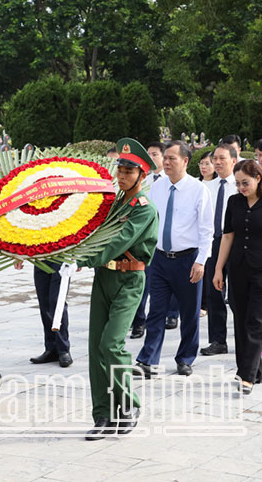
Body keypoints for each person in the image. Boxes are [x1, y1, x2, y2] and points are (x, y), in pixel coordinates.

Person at [77, 138, 159, 441]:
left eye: (129, 170)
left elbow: (116, 242)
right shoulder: (112, 203)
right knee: (95, 346)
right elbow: (90, 229)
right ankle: (103, 414)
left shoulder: (143, 210)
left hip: (129, 280)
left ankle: (129, 405)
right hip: (103, 279)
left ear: (142, 174)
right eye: (120, 169)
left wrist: (82, 258)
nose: (122, 175)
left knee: (111, 344)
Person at [213, 160, 262, 394]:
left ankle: (245, 375)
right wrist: (219, 269)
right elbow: (227, 237)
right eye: (237, 183)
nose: (241, 188)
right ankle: (254, 370)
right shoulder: (234, 202)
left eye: (245, 183)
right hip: (237, 269)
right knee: (240, 318)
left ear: (259, 178)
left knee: (256, 320)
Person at [135, 141, 213, 378]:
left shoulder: (199, 190)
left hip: (187, 260)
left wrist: (201, 261)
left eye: (172, 159)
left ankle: (185, 358)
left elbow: (206, 230)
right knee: (156, 311)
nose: (166, 163)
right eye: (165, 158)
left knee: (189, 313)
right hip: (159, 259)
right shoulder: (156, 187)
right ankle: (147, 359)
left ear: (186, 161)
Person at [129, 141, 169, 338]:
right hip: (142, 242)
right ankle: (138, 321)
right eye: (149, 154)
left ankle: (168, 316)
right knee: (141, 283)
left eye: (155, 154)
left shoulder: (168, 182)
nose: (152, 158)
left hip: (162, 241)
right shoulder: (143, 179)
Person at [200, 144, 237, 356]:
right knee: (214, 292)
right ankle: (217, 340)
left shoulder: (240, 185)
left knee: (237, 295)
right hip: (213, 243)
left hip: (236, 242)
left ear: (234, 160)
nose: (218, 162)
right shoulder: (207, 187)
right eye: (215, 158)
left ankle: (244, 338)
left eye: (222, 158)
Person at [29, 261, 73, 368]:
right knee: (44, 302)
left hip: (61, 257)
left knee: (57, 301)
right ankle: (51, 348)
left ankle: (63, 349)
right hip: (40, 256)